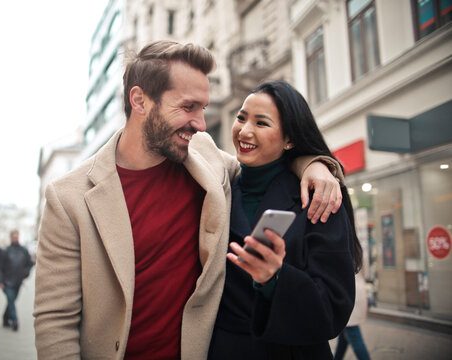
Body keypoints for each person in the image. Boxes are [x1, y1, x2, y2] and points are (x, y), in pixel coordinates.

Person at [33, 40, 344, 360]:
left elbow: (265, 160)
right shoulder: (68, 197)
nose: (200, 123)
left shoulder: (206, 156)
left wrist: (315, 165)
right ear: (139, 100)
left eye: (203, 109)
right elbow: (55, 321)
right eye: (187, 107)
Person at [207, 81, 362, 359]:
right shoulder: (219, 188)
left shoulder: (318, 198)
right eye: (241, 117)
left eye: (261, 123)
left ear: (289, 139)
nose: (244, 130)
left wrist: (274, 279)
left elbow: (333, 310)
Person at [334, 272, 371, 360]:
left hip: (348, 292)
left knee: (352, 333)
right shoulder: (363, 257)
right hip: (359, 289)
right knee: (344, 336)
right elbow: (366, 274)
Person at [2, 229, 33, 331]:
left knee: (12, 300)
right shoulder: (6, 251)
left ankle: (5, 318)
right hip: (7, 282)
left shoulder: (23, 250)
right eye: (13, 236)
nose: (15, 238)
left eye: (17, 236)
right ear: (11, 237)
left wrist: (25, 273)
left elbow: (30, 264)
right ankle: (15, 321)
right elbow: (0, 267)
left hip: (18, 281)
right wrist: (1, 281)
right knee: (11, 300)